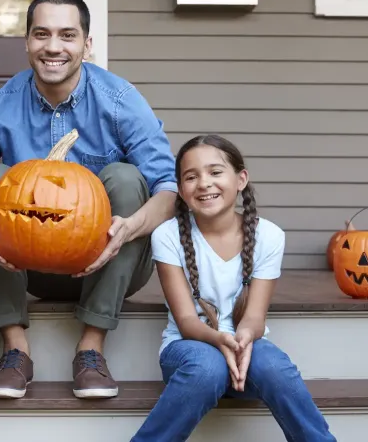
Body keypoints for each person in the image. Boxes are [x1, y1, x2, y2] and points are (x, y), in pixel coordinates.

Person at [0, 0, 178, 400]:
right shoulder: (1, 105)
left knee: (127, 179)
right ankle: (15, 349)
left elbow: (169, 191)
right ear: (27, 41)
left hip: (109, 262)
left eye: (67, 35)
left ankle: (90, 348)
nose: (53, 47)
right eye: (42, 34)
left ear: (87, 44)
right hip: (24, 264)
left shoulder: (121, 101)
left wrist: (128, 228)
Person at [130, 135, 336, 441]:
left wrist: (242, 338)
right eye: (191, 176)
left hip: (246, 352)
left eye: (215, 172)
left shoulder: (269, 236)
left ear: (240, 179)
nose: (204, 183)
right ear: (181, 189)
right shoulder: (167, 235)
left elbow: (255, 318)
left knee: (274, 367)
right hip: (189, 351)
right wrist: (218, 340)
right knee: (207, 367)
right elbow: (187, 322)